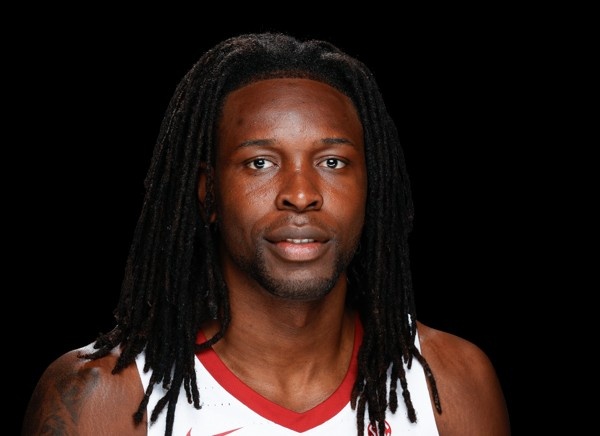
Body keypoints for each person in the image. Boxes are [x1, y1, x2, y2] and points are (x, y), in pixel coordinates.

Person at [22, 32, 510, 435]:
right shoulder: (103, 397)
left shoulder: (452, 381)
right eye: (260, 162)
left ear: (371, 187)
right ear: (208, 193)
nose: (301, 194)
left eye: (332, 162)